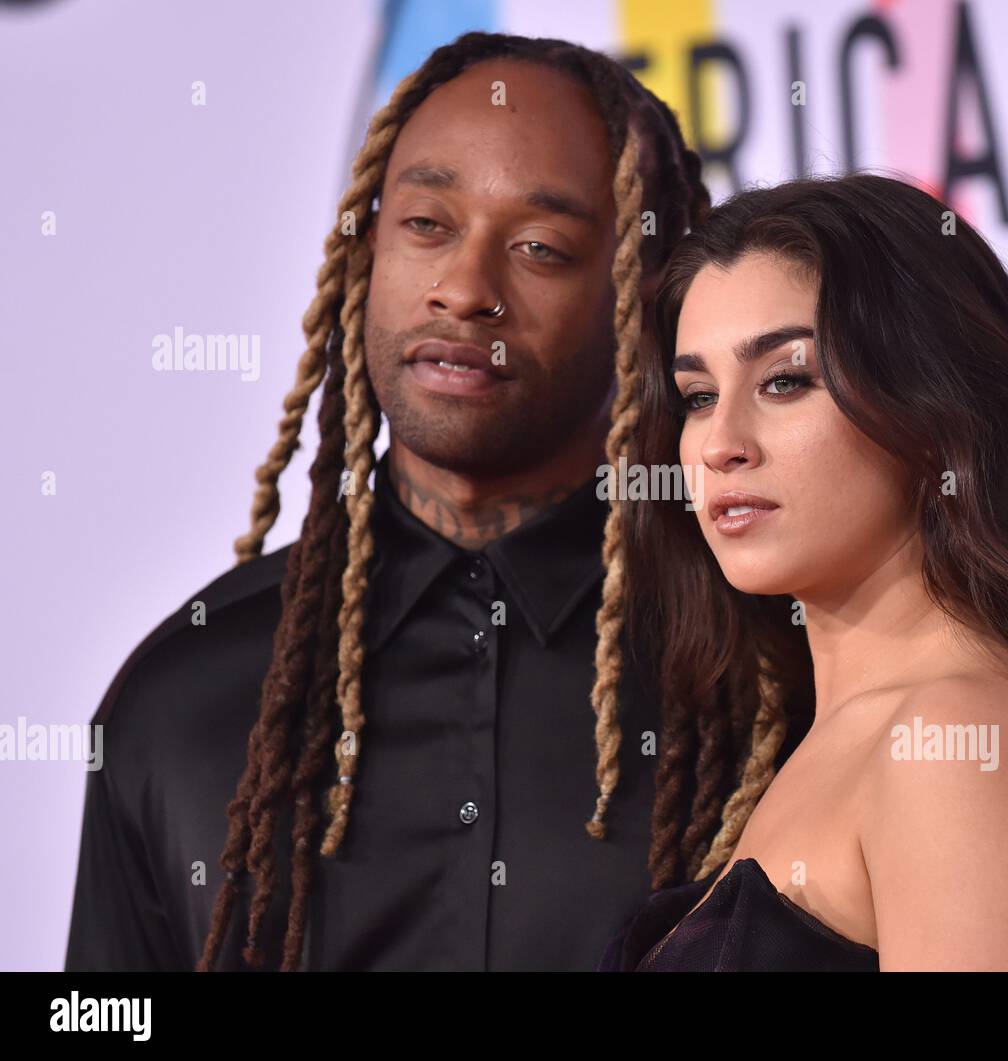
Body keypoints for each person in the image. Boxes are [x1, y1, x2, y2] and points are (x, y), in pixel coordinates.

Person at [64, 31, 720, 971]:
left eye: (540, 246)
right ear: (365, 247)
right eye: (427, 225)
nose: (463, 290)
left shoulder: (768, 669)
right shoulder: (180, 698)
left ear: (647, 295)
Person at [598, 173, 1008, 971]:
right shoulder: (847, 735)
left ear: (931, 402)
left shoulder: (958, 747)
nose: (720, 443)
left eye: (786, 380)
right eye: (699, 395)